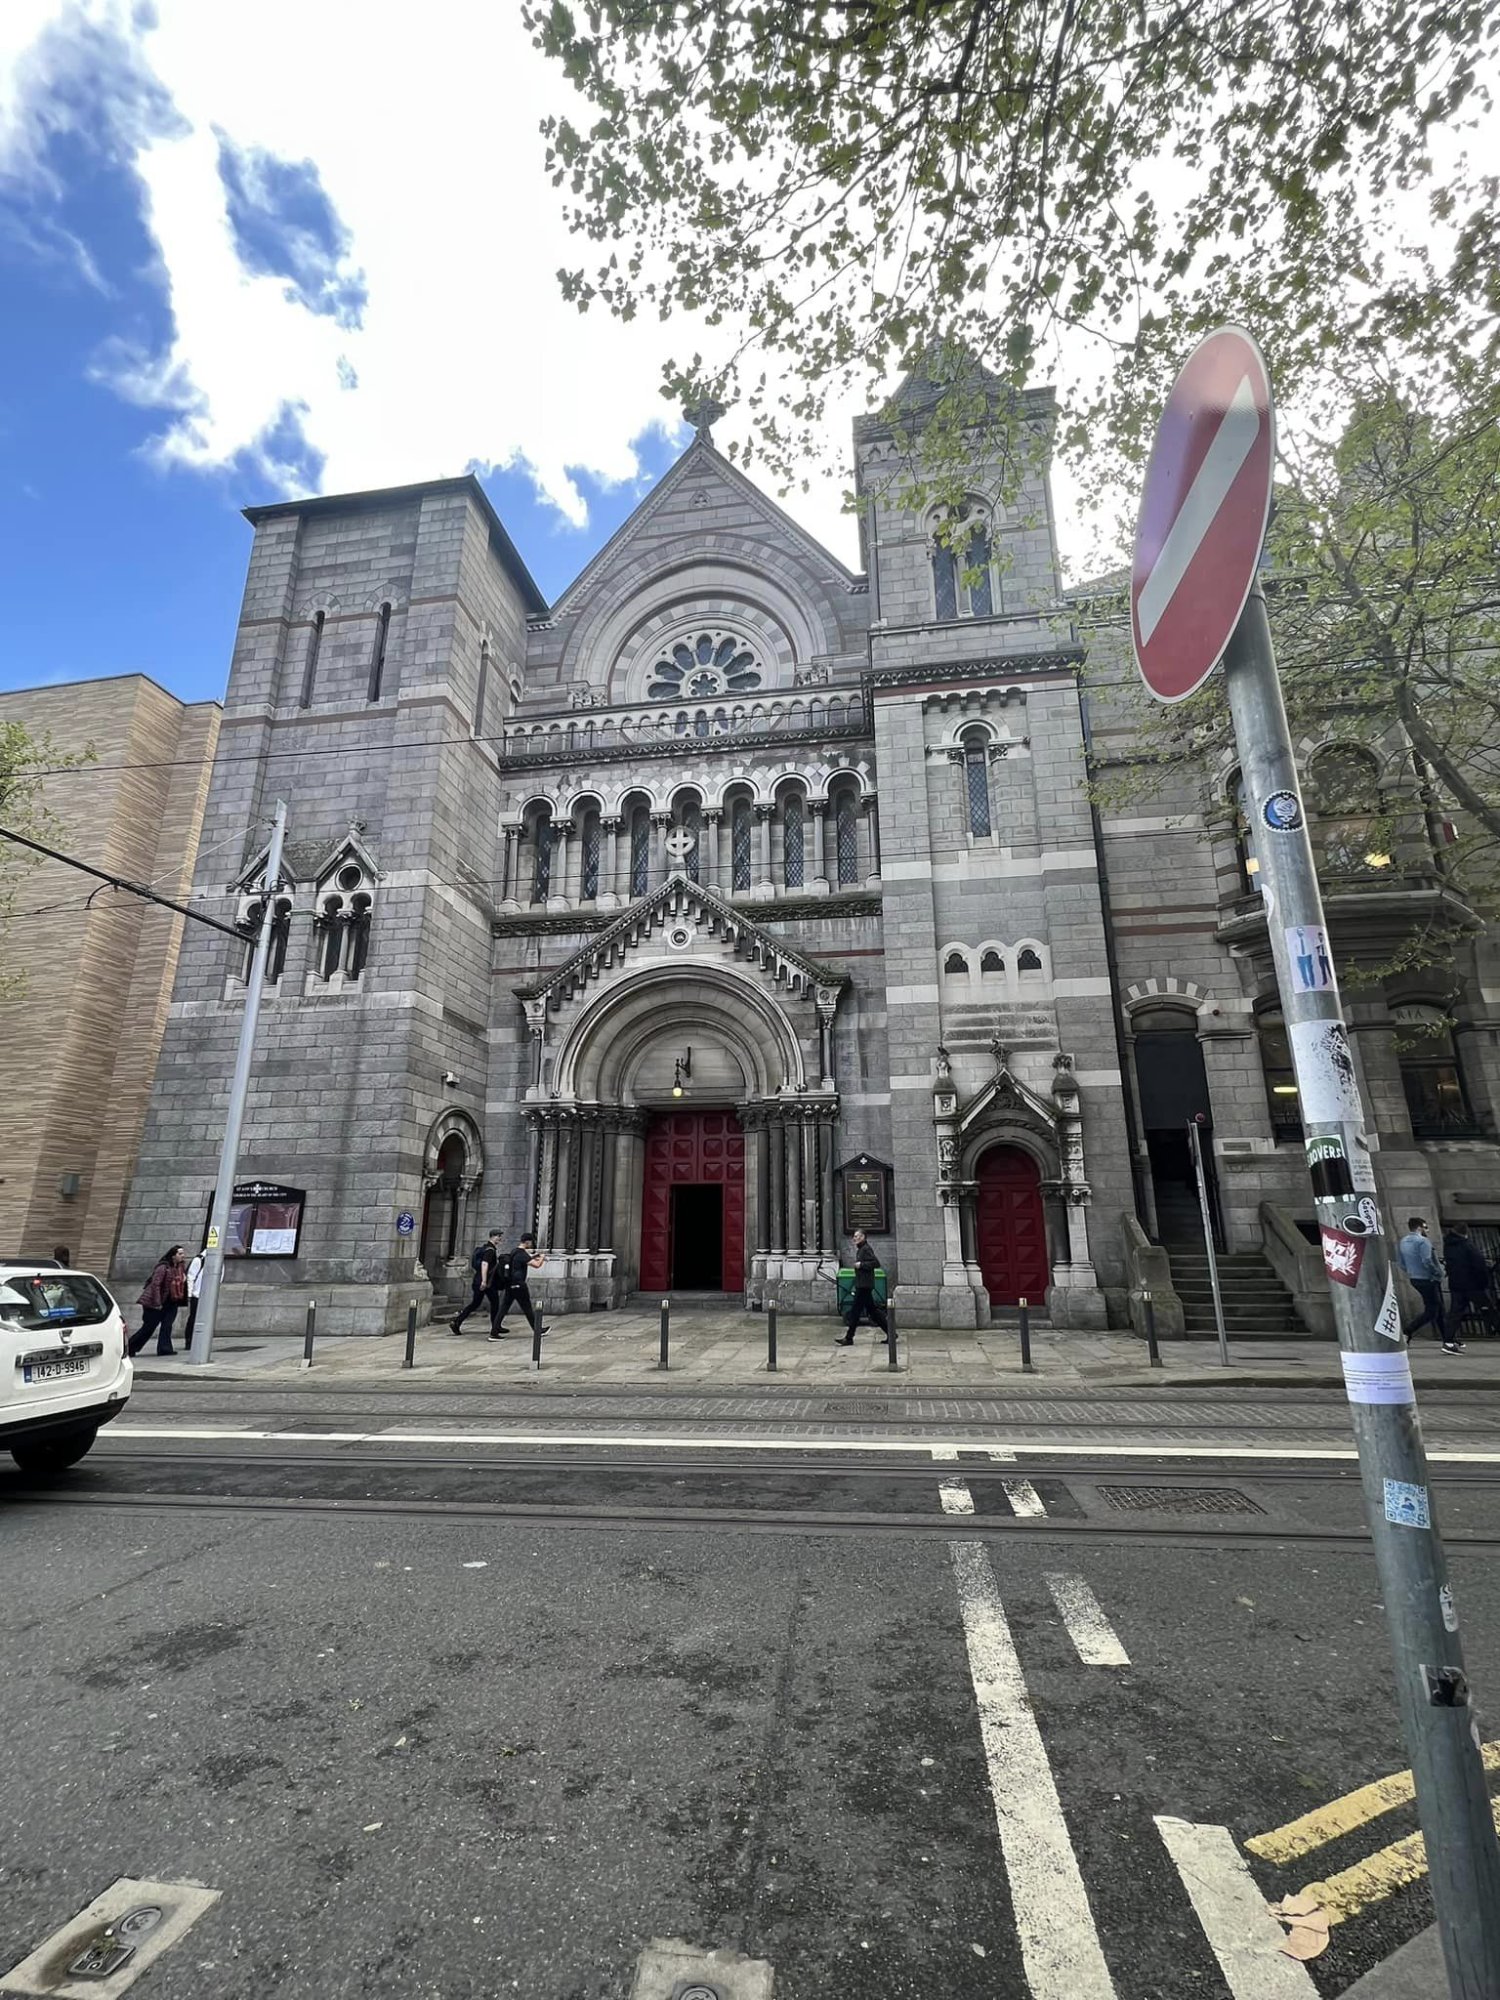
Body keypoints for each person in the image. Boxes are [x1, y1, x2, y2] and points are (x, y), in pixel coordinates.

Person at [1397, 1216, 1463, 1353]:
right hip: (1428, 1279)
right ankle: (1408, 1331)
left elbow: (1401, 1263)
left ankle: (1448, 1339)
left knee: (1438, 1309)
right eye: (1425, 1227)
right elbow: (1427, 1260)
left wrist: (1411, 1271)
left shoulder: (1403, 1241)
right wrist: (1437, 1273)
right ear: (1420, 1227)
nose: (1427, 1230)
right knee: (1432, 1310)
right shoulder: (1423, 1241)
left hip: (1414, 1278)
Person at [128, 1246, 188, 1357]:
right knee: (148, 1327)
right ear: (173, 1255)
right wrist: (157, 1302)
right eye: (180, 1253)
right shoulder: (163, 1267)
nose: (183, 1256)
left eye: (183, 1253)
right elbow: (156, 1285)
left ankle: (164, 1348)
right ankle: (130, 1347)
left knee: (167, 1325)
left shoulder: (180, 1268)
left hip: (172, 1301)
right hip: (156, 1302)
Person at [835, 1229, 889, 1345]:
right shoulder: (861, 1249)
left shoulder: (866, 1249)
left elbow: (876, 1263)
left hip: (864, 1286)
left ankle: (849, 1338)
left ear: (863, 1237)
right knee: (873, 1312)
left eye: (858, 1236)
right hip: (863, 1284)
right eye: (854, 1237)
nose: (855, 1238)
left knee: (855, 1311)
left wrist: (861, 1265)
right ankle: (891, 1333)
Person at [491, 1234, 545, 1341]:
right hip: (519, 1285)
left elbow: (521, 1261)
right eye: (531, 1242)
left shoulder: (515, 1251)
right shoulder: (522, 1254)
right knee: (527, 1308)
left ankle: (494, 1332)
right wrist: (542, 1257)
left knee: (503, 1308)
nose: (531, 1244)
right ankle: (538, 1330)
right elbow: (537, 1265)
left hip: (510, 1284)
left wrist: (533, 1256)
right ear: (527, 1242)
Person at [1442, 1223, 1491, 1339]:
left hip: (1456, 1284)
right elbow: (1479, 1265)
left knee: (1455, 1314)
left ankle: (1448, 1340)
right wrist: (1484, 1283)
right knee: (1488, 1310)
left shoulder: (1448, 1246)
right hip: (1473, 1285)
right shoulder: (1468, 1246)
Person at [450, 1230, 503, 1334]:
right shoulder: (490, 1250)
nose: (500, 1238)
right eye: (498, 1236)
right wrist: (484, 1281)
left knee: (477, 1303)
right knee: (494, 1303)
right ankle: (495, 1327)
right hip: (485, 1282)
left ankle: (457, 1322)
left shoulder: (485, 1248)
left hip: (479, 1280)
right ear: (492, 1237)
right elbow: (484, 1264)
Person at [182, 1245, 206, 1348]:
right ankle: (189, 1340)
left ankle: (200, 1340)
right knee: (194, 1317)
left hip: (207, 1296)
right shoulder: (199, 1259)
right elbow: (190, 1277)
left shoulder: (220, 1261)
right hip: (196, 1294)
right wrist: (189, 1294)